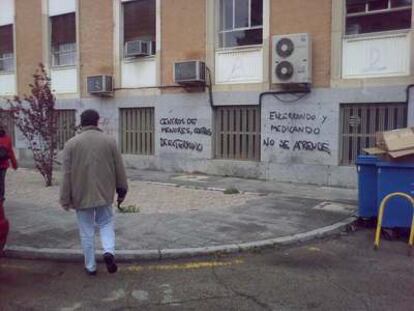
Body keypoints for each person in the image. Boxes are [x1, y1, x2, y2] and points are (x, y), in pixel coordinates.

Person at [60, 110, 128, 276]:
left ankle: (90, 266)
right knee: (106, 223)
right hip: (104, 194)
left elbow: (66, 174)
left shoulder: (71, 144)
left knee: (86, 231)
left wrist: (65, 198)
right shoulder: (109, 142)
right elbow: (119, 168)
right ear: (97, 122)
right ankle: (108, 252)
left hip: (81, 195)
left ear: (81, 123)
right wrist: (122, 190)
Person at [0, 124, 18, 202]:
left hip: (3, 164)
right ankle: (1, 198)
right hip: (4, 164)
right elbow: (11, 152)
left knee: (1, 182)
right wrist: (14, 164)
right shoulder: (7, 139)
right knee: (1, 182)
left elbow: (10, 152)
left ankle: (1, 198)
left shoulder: (7, 139)